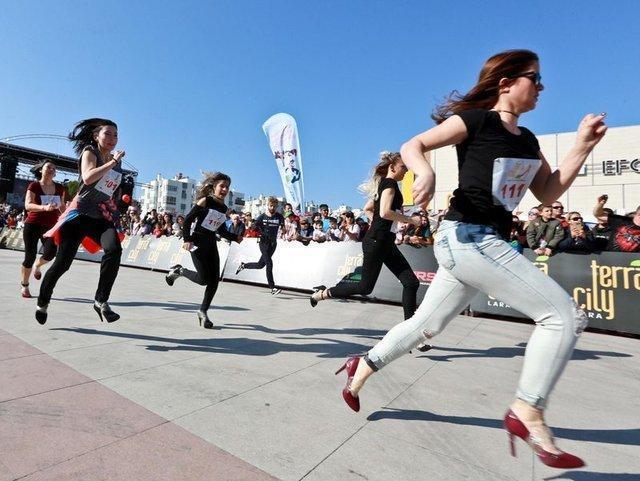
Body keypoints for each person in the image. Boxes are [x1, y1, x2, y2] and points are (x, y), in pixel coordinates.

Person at [335, 50, 607, 470]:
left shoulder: (528, 140)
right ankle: (527, 410)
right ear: (506, 83)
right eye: (534, 78)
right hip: (467, 236)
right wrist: (425, 172)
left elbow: (548, 192)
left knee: (426, 326)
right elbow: (413, 145)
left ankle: (361, 368)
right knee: (563, 317)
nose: (541, 86)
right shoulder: (477, 121)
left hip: (480, 243)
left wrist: (583, 147)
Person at [310, 152, 421, 322]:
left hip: (385, 242)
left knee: (411, 282)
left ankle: (409, 329)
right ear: (392, 167)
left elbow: (368, 209)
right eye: (403, 167)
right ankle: (322, 294)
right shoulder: (390, 184)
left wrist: (379, 224)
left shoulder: (384, 185)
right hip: (377, 242)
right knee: (365, 287)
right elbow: (384, 212)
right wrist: (411, 220)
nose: (406, 171)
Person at [36, 118, 127, 324]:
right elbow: (87, 178)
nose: (112, 138)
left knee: (114, 250)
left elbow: (108, 187)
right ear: (96, 136)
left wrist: (113, 202)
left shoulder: (116, 161)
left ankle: (100, 300)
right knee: (62, 264)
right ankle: (42, 303)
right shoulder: (90, 152)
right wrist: (113, 162)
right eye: (107, 134)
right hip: (78, 217)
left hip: (100, 216)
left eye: (116, 135)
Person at [165, 172, 243, 328]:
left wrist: (235, 237)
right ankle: (180, 271)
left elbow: (220, 230)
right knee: (203, 280)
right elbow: (188, 220)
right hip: (197, 242)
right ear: (214, 187)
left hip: (211, 243)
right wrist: (187, 239)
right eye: (222, 186)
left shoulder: (224, 208)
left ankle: (203, 311)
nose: (225, 190)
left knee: (214, 280)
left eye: (227, 187)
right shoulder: (205, 201)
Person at [20, 160, 67, 298]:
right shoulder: (34, 186)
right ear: (41, 170)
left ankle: (38, 265)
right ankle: (24, 285)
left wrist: (67, 216)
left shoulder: (60, 188)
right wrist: (44, 208)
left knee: (51, 253)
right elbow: (28, 205)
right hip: (33, 224)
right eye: (48, 167)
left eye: (54, 168)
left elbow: (62, 206)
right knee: (29, 256)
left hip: (51, 226)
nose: (51, 169)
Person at [235, 196, 285, 295]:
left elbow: (283, 228)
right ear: (268, 205)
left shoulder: (279, 217)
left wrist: (284, 230)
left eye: (275, 206)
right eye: (271, 206)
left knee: (260, 265)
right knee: (269, 263)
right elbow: (253, 227)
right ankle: (272, 288)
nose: (272, 208)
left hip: (273, 244)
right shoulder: (262, 217)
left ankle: (243, 265)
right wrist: (251, 225)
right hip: (263, 243)